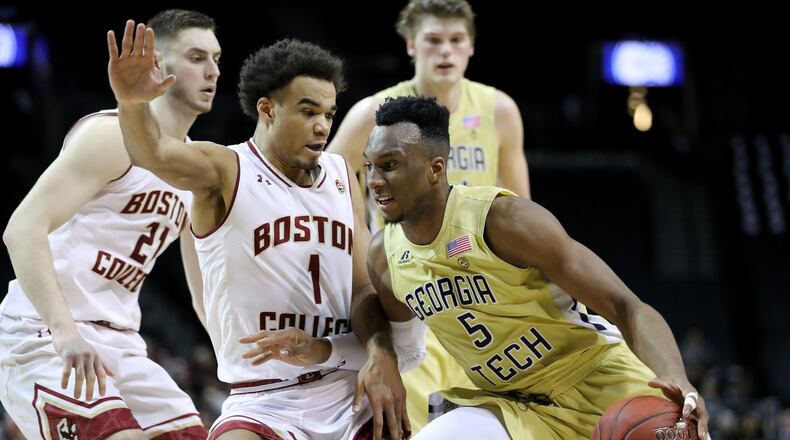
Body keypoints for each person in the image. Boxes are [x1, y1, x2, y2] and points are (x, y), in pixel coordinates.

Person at [107, 21, 422, 440]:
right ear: (268, 109)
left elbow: (364, 288)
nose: (323, 126)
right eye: (308, 112)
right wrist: (131, 104)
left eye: (329, 114)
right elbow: (154, 153)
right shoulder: (226, 169)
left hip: (347, 390)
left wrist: (381, 354)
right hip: (265, 400)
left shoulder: (341, 173)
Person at [364, 96, 710, 439]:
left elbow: (626, 306)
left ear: (435, 169)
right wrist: (379, 354)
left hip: (602, 381)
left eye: (390, 165)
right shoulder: (386, 256)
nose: (375, 180)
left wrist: (676, 376)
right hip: (518, 406)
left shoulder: (505, 221)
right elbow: (393, 334)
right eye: (370, 166)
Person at [0, 9, 220, 439]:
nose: (212, 70)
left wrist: (245, 366)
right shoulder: (110, 135)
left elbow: (203, 291)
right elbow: (22, 229)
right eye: (196, 57)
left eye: (216, 59)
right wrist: (65, 334)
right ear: (157, 63)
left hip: (121, 343)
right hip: (45, 333)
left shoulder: (195, 167)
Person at [327, 1, 529, 430]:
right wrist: (365, 256)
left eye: (456, 41)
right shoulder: (373, 113)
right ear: (411, 45)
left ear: (471, 47)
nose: (446, 52)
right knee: (414, 424)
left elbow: (521, 207)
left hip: (483, 291)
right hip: (408, 289)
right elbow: (328, 190)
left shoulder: (499, 110)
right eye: (434, 40)